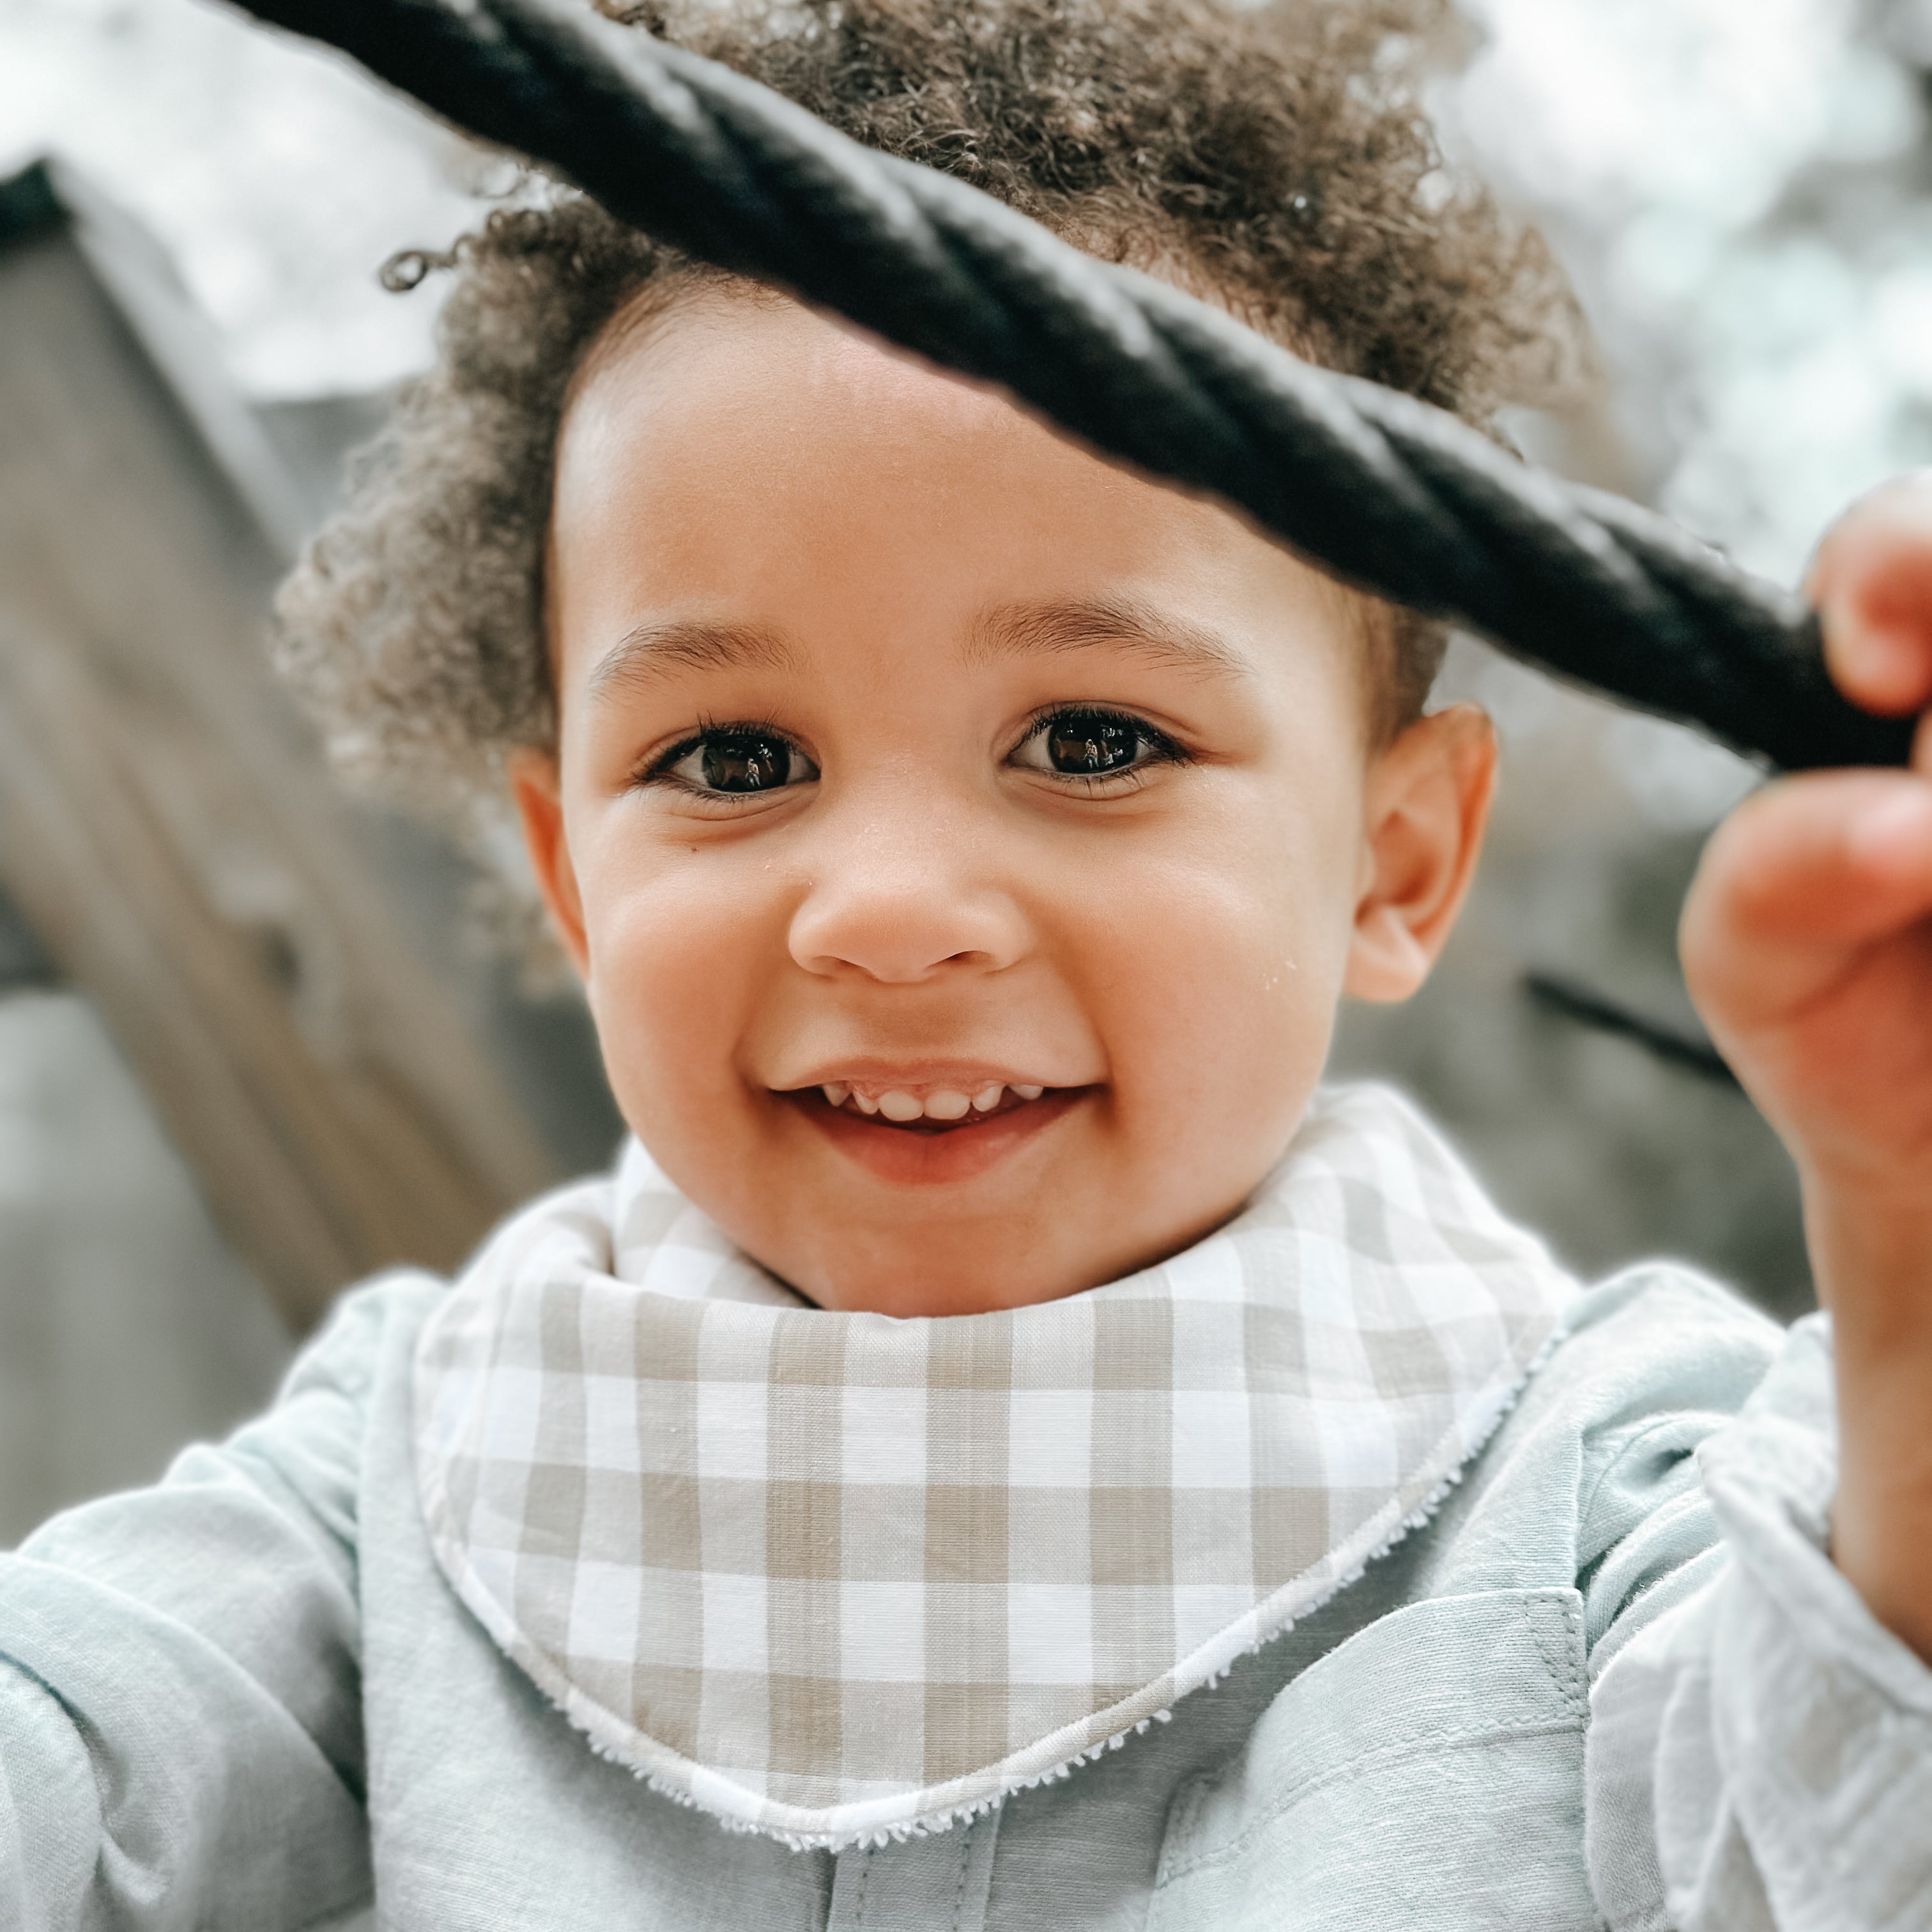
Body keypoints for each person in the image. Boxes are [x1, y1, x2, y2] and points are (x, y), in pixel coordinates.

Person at [5, 1, 1929, 1924]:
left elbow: (1836, 1823)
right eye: (732, 761)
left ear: (1394, 863)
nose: (888, 912)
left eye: (1093, 741)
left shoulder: (1610, 1487)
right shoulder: (409, 1464)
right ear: (571, 877)